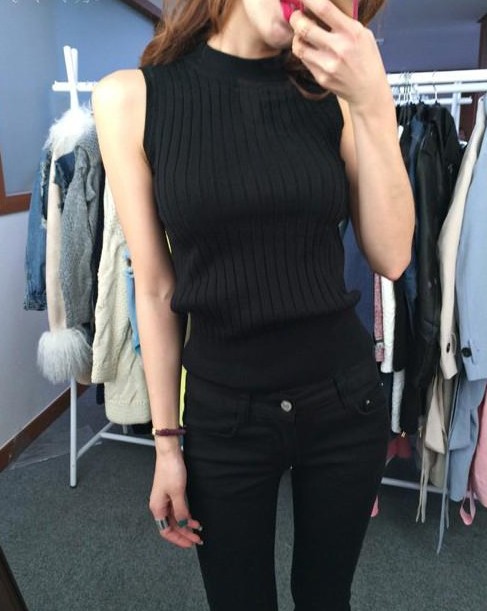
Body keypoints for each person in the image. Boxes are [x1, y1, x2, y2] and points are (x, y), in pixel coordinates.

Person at [93, 0, 415, 608]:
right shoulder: (129, 99)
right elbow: (156, 288)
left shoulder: (336, 96)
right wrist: (166, 443)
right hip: (224, 416)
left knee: (326, 598)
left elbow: (393, 255)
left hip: (344, 402)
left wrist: (373, 101)